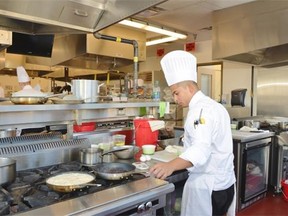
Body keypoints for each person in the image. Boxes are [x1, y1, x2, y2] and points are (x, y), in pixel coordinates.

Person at [149, 50, 236, 216]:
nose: (175, 99)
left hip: (209, 188)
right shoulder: (214, 105)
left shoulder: (200, 111)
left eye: (176, 93)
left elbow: (201, 149)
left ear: (189, 88)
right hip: (225, 184)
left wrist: (170, 166)